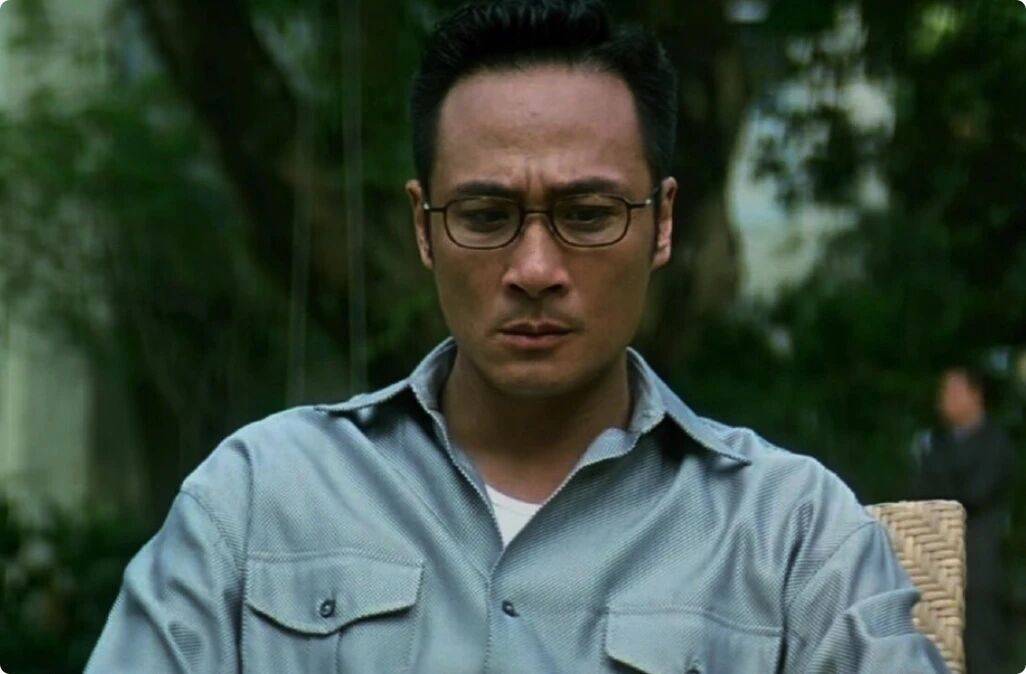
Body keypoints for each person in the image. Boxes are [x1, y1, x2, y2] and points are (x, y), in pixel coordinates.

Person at [86, 1, 948, 671]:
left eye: (588, 213)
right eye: (486, 215)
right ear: (424, 228)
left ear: (662, 224)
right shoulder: (260, 496)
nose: (535, 268)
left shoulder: (790, 533)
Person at [911, 366, 1017, 673]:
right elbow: (920, 491)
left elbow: (977, 493)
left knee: (982, 649)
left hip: (982, 565)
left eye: (953, 391)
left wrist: (944, 494)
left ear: (975, 395)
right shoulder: (935, 445)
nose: (944, 399)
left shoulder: (997, 444)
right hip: (935, 562)